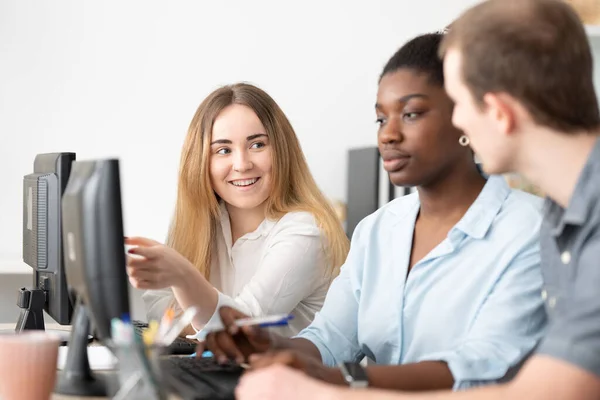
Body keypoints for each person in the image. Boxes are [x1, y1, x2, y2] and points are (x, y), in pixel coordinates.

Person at [234, 0, 600, 399]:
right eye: (381, 119)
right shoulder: (570, 219)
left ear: (497, 110)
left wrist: (328, 389)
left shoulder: (546, 226)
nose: (388, 135)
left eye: (461, 103)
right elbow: (331, 336)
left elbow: (541, 385)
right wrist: (275, 353)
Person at [125, 82, 350, 336]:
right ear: (201, 162)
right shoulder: (200, 221)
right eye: (223, 150)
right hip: (226, 373)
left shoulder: (307, 231)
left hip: (286, 375)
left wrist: (184, 277)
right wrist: (204, 322)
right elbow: (158, 309)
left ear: (282, 151)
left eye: (257, 145)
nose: (242, 164)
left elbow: (242, 327)